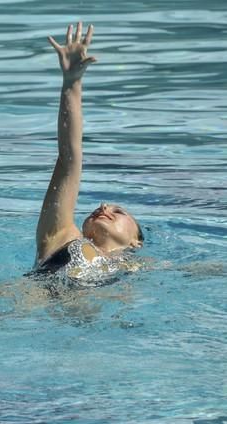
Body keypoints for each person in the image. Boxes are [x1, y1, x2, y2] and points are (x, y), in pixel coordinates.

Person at [34, 22, 144, 284]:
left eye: (118, 211)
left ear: (135, 242)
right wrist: (72, 84)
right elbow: (69, 160)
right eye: (106, 206)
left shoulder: (137, 271)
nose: (105, 206)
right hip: (29, 303)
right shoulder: (61, 235)